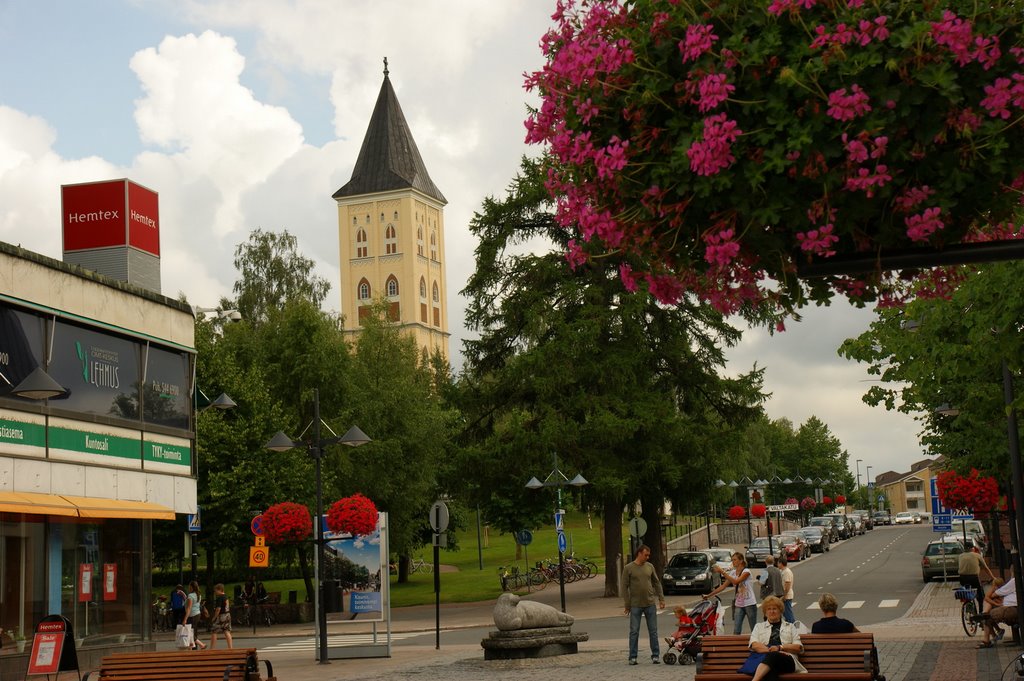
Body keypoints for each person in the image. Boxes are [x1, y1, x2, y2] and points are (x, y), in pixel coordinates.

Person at [621, 544, 665, 665]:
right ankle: (633, 656)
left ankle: (655, 655)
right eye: (646, 555)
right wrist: (627, 604)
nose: (647, 557)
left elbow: (657, 583)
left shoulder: (649, 566)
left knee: (653, 631)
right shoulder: (628, 568)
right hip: (635, 605)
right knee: (634, 631)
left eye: (648, 555)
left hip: (650, 603)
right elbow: (624, 587)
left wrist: (661, 599)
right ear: (639, 553)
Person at [747, 595, 807, 681]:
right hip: (766, 660)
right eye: (769, 609)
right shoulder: (758, 627)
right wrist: (771, 650)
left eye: (774, 609)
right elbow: (754, 644)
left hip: (787, 660)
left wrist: (780, 648)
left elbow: (798, 647)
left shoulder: (790, 627)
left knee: (773, 657)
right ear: (765, 612)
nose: (772, 611)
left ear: (780, 611)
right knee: (771, 669)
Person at [705, 551, 757, 633]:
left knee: (753, 628)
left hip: (749, 603)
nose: (733, 562)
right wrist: (708, 595)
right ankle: (736, 645)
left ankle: (756, 643)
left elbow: (736, 582)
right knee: (736, 629)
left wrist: (722, 572)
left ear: (741, 561)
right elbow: (723, 586)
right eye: (732, 560)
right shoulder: (733, 573)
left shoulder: (746, 571)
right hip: (738, 603)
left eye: (735, 560)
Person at [978, 574, 1016, 648]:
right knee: (987, 614)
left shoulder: (1002, 589)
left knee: (987, 616)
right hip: (1001, 606)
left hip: (1006, 607)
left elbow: (989, 597)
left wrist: (997, 602)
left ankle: (993, 635)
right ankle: (996, 633)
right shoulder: (1002, 588)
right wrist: (996, 603)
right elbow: (988, 598)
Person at [958, 545, 995, 612]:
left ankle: (968, 605)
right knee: (980, 596)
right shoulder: (977, 555)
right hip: (974, 578)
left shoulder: (960, 556)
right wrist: (993, 577)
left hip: (962, 578)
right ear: (973, 549)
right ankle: (980, 612)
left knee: (967, 591)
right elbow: (986, 568)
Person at [209, 583, 233, 649]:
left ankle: (212, 649)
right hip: (227, 615)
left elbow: (218, 609)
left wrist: (214, 617)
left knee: (214, 631)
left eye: (216, 590)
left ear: (220, 590)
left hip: (221, 616)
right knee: (227, 631)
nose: (215, 592)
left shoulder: (219, 598)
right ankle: (230, 648)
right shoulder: (226, 596)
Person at [184, 581, 207, 650]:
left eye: (189, 587)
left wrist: (185, 619)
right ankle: (192, 647)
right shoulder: (198, 595)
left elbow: (189, 608)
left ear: (191, 587)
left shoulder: (191, 596)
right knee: (193, 631)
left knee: (189, 632)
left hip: (192, 616)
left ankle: (201, 644)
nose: (188, 588)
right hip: (197, 614)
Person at [778, 557, 795, 624]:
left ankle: (792, 626)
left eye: (778, 563)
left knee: (788, 613)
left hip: (787, 595)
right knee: (785, 613)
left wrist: (784, 595)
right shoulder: (783, 571)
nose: (777, 564)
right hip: (786, 595)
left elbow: (787, 584)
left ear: (781, 563)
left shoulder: (786, 572)